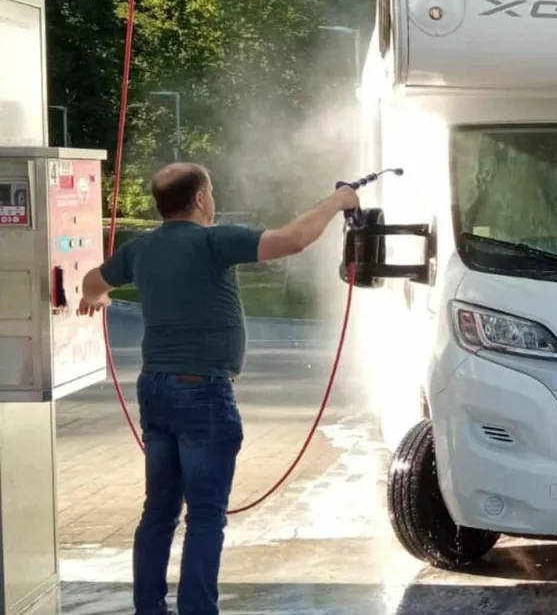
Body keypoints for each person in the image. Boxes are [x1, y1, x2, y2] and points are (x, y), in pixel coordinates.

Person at [77, 162, 359, 615]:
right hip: (203, 393)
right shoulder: (213, 241)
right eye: (211, 192)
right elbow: (292, 240)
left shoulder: (142, 249)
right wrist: (337, 201)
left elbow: (91, 283)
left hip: (155, 390)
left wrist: (99, 299)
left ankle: (148, 609)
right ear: (201, 199)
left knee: (159, 512)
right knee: (206, 516)